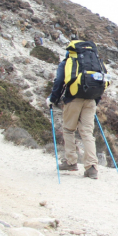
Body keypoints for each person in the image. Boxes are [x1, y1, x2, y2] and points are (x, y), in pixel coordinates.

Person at [46, 40, 102, 179]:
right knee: (87, 132)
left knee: (68, 129)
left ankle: (71, 162)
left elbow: (59, 82)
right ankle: (92, 168)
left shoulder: (67, 62)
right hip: (91, 99)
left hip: (73, 99)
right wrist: (96, 99)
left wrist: (53, 99)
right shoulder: (95, 62)